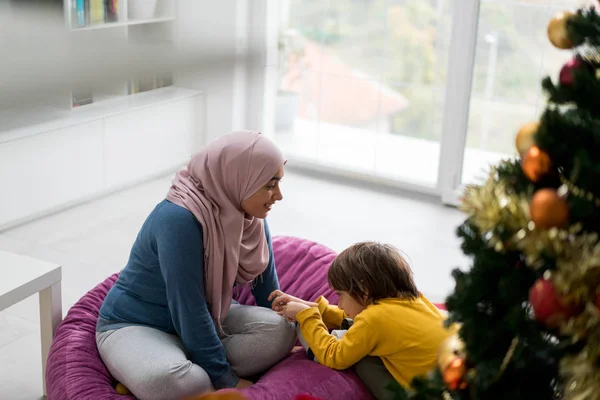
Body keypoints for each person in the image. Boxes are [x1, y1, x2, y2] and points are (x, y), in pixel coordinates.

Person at [95, 130, 297, 400]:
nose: (279, 195)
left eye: (279, 183)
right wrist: (228, 381)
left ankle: (181, 362)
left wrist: (301, 334)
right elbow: (188, 307)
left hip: (208, 317)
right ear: (238, 177)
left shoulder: (251, 217)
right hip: (137, 324)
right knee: (180, 382)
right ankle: (170, 365)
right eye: (270, 185)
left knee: (281, 330)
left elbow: (270, 295)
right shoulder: (178, 220)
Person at [270, 242, 454, 400]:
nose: (340, 304)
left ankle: (315, 349)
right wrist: (312, 307)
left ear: (363, 290)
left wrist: (308, 317)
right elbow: (358, 317)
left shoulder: (374, 319)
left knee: (363, 358)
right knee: (363, 335)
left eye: (340, 295)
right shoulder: (413, 300)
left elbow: (335, 357)